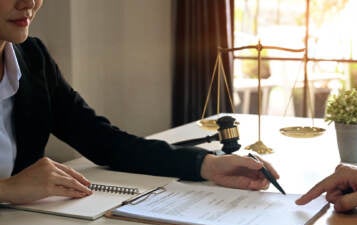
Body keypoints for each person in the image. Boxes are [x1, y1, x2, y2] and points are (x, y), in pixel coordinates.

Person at [0, 0, 279, 205]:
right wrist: (6, 189)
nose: (30, 3)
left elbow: (106, 142)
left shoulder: (32, 57)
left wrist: (206, 165)